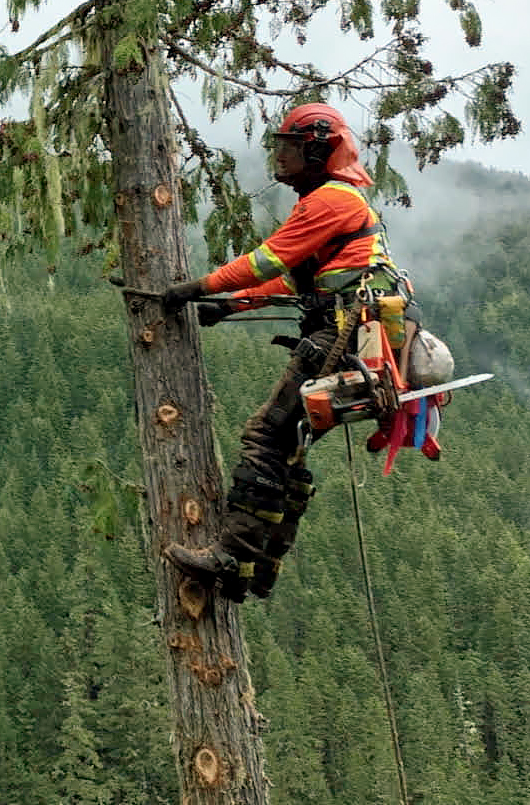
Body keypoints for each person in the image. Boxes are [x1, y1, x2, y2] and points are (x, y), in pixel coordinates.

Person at [160, 102, 403, 602]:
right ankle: (259, 569)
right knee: (287, 452)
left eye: (289, 147)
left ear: (316, 149)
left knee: (266, 438)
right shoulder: (332, 202)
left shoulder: (331, 201)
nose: (280, 156)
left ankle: (231, 557)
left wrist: (198, 286)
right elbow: (289, 278)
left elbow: (266, 260)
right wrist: (228, 306)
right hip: (350, 337)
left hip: (338, 336)